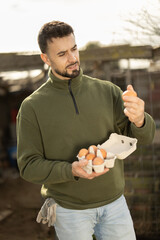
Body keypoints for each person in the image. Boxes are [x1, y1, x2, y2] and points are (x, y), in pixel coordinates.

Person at [16, 20, 155, 240]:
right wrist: (70, 170)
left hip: (115, 205)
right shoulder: (32, 107)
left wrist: (140, 120)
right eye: (62, 54)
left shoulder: (107, 92)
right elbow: (28, 167)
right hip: (68, 210)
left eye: (74, 49)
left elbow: (145, 138)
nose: (72, 59)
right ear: (46, 58)